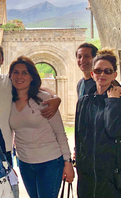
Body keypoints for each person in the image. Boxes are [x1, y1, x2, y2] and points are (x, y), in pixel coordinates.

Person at [0, 41, 61, 167]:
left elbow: (38, 88)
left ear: (2, 60)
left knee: (6, 186)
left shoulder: (9, 81)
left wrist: (56, 98)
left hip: (3, 147)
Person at [9, 56, 74, 198]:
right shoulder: (8, 100)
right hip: (25, 163)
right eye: (15, 72)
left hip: (50, 162)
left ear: (32, 77)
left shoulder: (45, 99)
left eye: (25, 72)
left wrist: (68, 162)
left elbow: (60, 133)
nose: (19, 76)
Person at [75, 48, 121, 197]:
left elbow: (114, 130)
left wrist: (113, 102)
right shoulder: (84, 102)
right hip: (89, 176)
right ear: (92, 74)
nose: (102, 74)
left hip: (114, 177)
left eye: (108, 71)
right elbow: (79, 136)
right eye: (98, 71)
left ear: (114, 74)